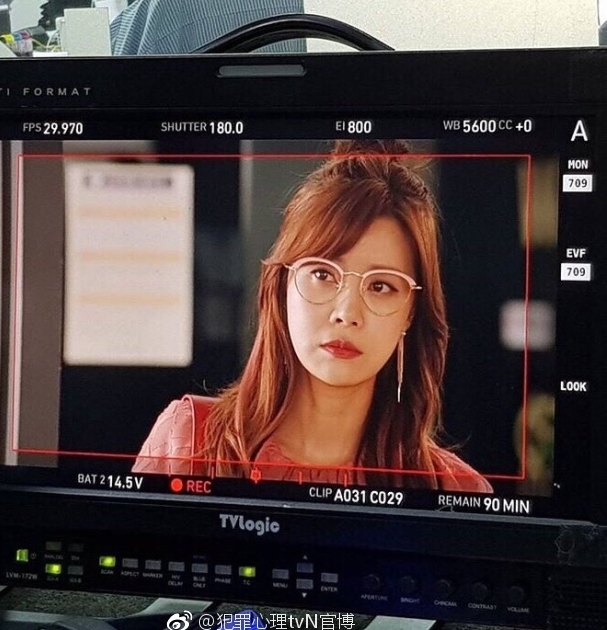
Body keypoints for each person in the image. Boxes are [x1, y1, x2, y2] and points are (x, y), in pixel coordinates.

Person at [132, 140, 492, 492]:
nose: (347, 313)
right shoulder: (187, 443)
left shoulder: (454, 489)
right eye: (323, 274)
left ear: (411, 313)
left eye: (381, 286)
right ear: (282, 286)